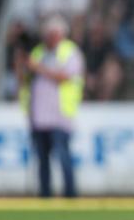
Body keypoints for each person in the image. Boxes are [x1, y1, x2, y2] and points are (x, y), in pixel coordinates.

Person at [19, 15, 85, 198]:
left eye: (53, 33)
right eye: (47, 33)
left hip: (60, 115)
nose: (49, 37)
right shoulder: (38, 52)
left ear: (61, 34)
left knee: (62, 155)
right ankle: (45, 194)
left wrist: (38, 67)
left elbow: (64, 77)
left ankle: (70, 193)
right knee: (42, 159)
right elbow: (25, 78)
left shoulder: (70, 52)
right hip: (39, 116)